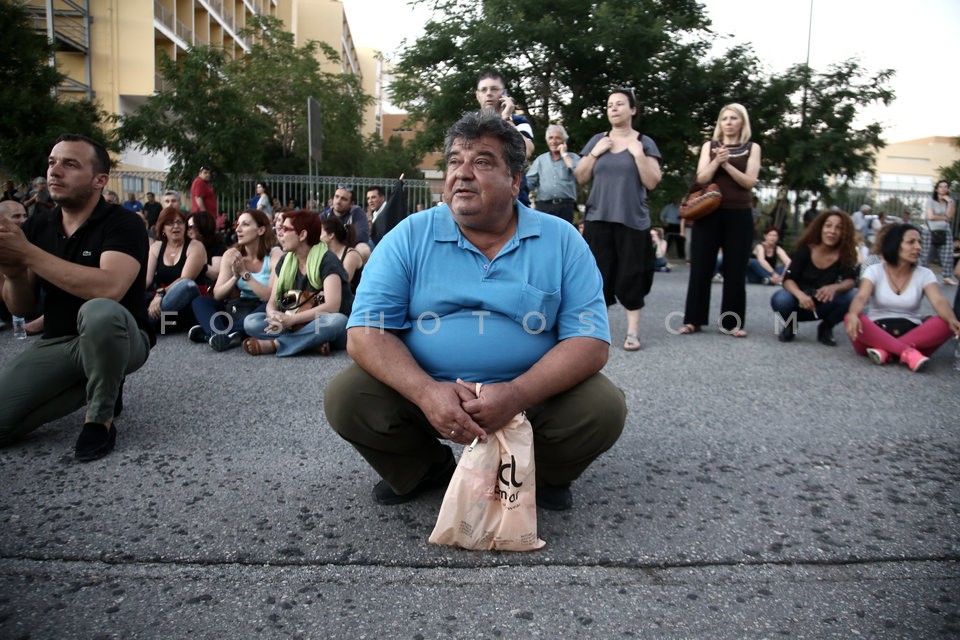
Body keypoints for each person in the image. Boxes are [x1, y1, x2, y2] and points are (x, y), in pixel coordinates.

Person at [325, 110, 625, 511]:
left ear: (515, 180)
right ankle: (425, 470)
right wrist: (427, 392)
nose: (462, 173)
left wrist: (516, 394)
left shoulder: (561, 239)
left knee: (602, 408)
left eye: (482, 161)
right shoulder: (410, 235)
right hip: (427, 387)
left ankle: (542, 473)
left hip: (531, 395)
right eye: (454, 161)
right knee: (348, 397)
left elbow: (590, 342)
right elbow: (365, 332)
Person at [0, 133, 152, 461]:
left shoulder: (123, 223)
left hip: (121, 338)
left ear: (100, 180)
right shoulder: (39, 226)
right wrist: (12, 271)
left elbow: (109, 289)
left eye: (70, 164)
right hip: (59, 340)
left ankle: (100, 418)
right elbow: (20, 307)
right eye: (53, 163)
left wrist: (27, 254)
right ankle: (106, 387)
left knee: (99, 311)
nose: (54, 172)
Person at [574, 88, 662, 351]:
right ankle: (595, 331)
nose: (613, 108)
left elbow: (652, 181)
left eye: (620, 104)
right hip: (598, 217)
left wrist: (637, 155)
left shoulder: (644, 142)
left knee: (631, 276)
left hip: (631, 219)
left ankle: (632, 332)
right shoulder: (597, 140)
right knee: (596, 276)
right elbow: (580, 177)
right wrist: (594, 153)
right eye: (610, 104)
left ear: (632, 110)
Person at [679, 103, 761, 338]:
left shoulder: (751, 148)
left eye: (734, 118)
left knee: (736, 269)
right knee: (701, 267)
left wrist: (726, 164)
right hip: (708, 212)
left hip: (739, 213)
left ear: (742, 122)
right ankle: (693, 320)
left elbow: (749, 182)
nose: (728, 122)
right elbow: (701, 177)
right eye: (724, 118)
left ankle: (731, 322)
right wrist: (716, 160)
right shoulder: (710, 146)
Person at [845, 224, 960, 371]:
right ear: (895, 244)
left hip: (911, 332)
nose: (918, 247)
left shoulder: (925, 274)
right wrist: (854, 313)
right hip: (876, 332)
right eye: (911, 242)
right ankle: (907, 352)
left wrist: (951, 320)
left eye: (919, 243)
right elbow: (861, 297)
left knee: (946, 322)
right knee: (851, 317)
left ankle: (886, 351)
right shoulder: (875, 270)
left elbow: (939, 300)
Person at [242, 209, 353, 357]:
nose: (279, 233)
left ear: (302, 235)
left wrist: (291, 319)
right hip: (295, 324)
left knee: (337, 321)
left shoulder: (327, 260)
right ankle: (310, 343)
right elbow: (272, 302)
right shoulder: (285, 261)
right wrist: (274, 315)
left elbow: (332, 307)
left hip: (329, 327)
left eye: (285, 229)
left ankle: (276, 344)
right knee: (251, 322)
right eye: (279, 229)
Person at [189, 209, 280, 351]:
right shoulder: (232, 254)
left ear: (261, 230)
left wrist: (245, 274)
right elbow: (218, 294)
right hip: (237, 308)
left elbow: (269, 296)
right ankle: (220, 336)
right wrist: (235, 277)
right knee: (199, 301)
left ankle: (213, 334)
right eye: (238, 224)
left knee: (268, 307)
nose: (238, 229)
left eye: (245, 224)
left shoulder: (274, 255)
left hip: (261, 310)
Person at [771, 211, 858, 345]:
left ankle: (826, 327)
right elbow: (788, 279)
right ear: (820, 228)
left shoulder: (844, 254)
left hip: (823, 303)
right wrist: (800, 295)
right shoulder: (806, 249)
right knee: (780, 298)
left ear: (845, 233)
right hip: (799, 302)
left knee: (852, 296)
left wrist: (834, 287)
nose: (832, 231)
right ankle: (790, 325)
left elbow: (851, 280)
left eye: (839, 228)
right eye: (828, 226)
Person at [475, 69, 534, 206]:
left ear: (504, 93)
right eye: (483, 90)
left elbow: (527, 152)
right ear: (478, 95)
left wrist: (506, 118)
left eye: (494, 89)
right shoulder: (468, 124)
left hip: (514, 195)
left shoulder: (519, 122)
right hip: (478, 193)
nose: (489, 93)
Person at [145, 207, 206, 331]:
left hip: (189, 303)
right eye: (170, 223)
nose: (176, 226)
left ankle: (145, 324)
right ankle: (154, 324)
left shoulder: (196, 246)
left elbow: (185, 279)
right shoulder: (156, 247)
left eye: (179, 222)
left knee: (186, 285)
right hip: (166, 309)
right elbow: (147, 280)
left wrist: (160, 294)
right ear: (162, 228)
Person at [525, 124, 579, 223]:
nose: (553, 141)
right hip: (544, 207)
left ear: (564, 141)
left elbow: (579, 174)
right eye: (550, 138)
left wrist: (564, 154)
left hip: (565, 207)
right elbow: (529, 183)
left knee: (563, 237)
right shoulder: (541, 159)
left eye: (557, 138)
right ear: (547, 141)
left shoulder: (572, 157)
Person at [919, 180, 957, 286]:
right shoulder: (930, 200)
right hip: (929, 231)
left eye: (946, 186)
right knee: (925, 255)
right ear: (937, 189)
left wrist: (949, 202)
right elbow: (930, 216)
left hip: (945, 231)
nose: (943, 189)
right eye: (941, 187)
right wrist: (944, 217)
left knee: (948, 254)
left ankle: (947, 277)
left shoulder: (950, 201)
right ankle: (921, 276)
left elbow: (950, 217)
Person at [322, 185, 371, 264]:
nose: (338, 201)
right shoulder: (325, 216)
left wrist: (340, 246)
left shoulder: (357, 213)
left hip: (350, 248)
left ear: (351, 204)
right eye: (336, 197)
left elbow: (362, 236)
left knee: (363, 249)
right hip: (328, 247)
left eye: (343, 199)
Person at [320, 216, 363, 293]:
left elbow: (343, 283)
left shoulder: (351, 255)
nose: (318, 237)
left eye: (320, 233)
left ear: (331, 235)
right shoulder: (326, 254)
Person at [187, 212, 227, 289]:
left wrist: (198, 262)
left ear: (202, 226)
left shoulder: (217, 245)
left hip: (206, 288)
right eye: (187, 226)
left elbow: (216, 275)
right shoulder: (186, 245)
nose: (188, 230)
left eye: (191, 226)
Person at [190, 165, 219, 230]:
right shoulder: (199, 182)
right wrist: (205, 214)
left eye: (209, 173)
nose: (208, 175)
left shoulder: (204, 183)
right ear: (199, 173)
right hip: (203, 217)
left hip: (206, 216)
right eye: (205, 173)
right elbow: (198, 198)